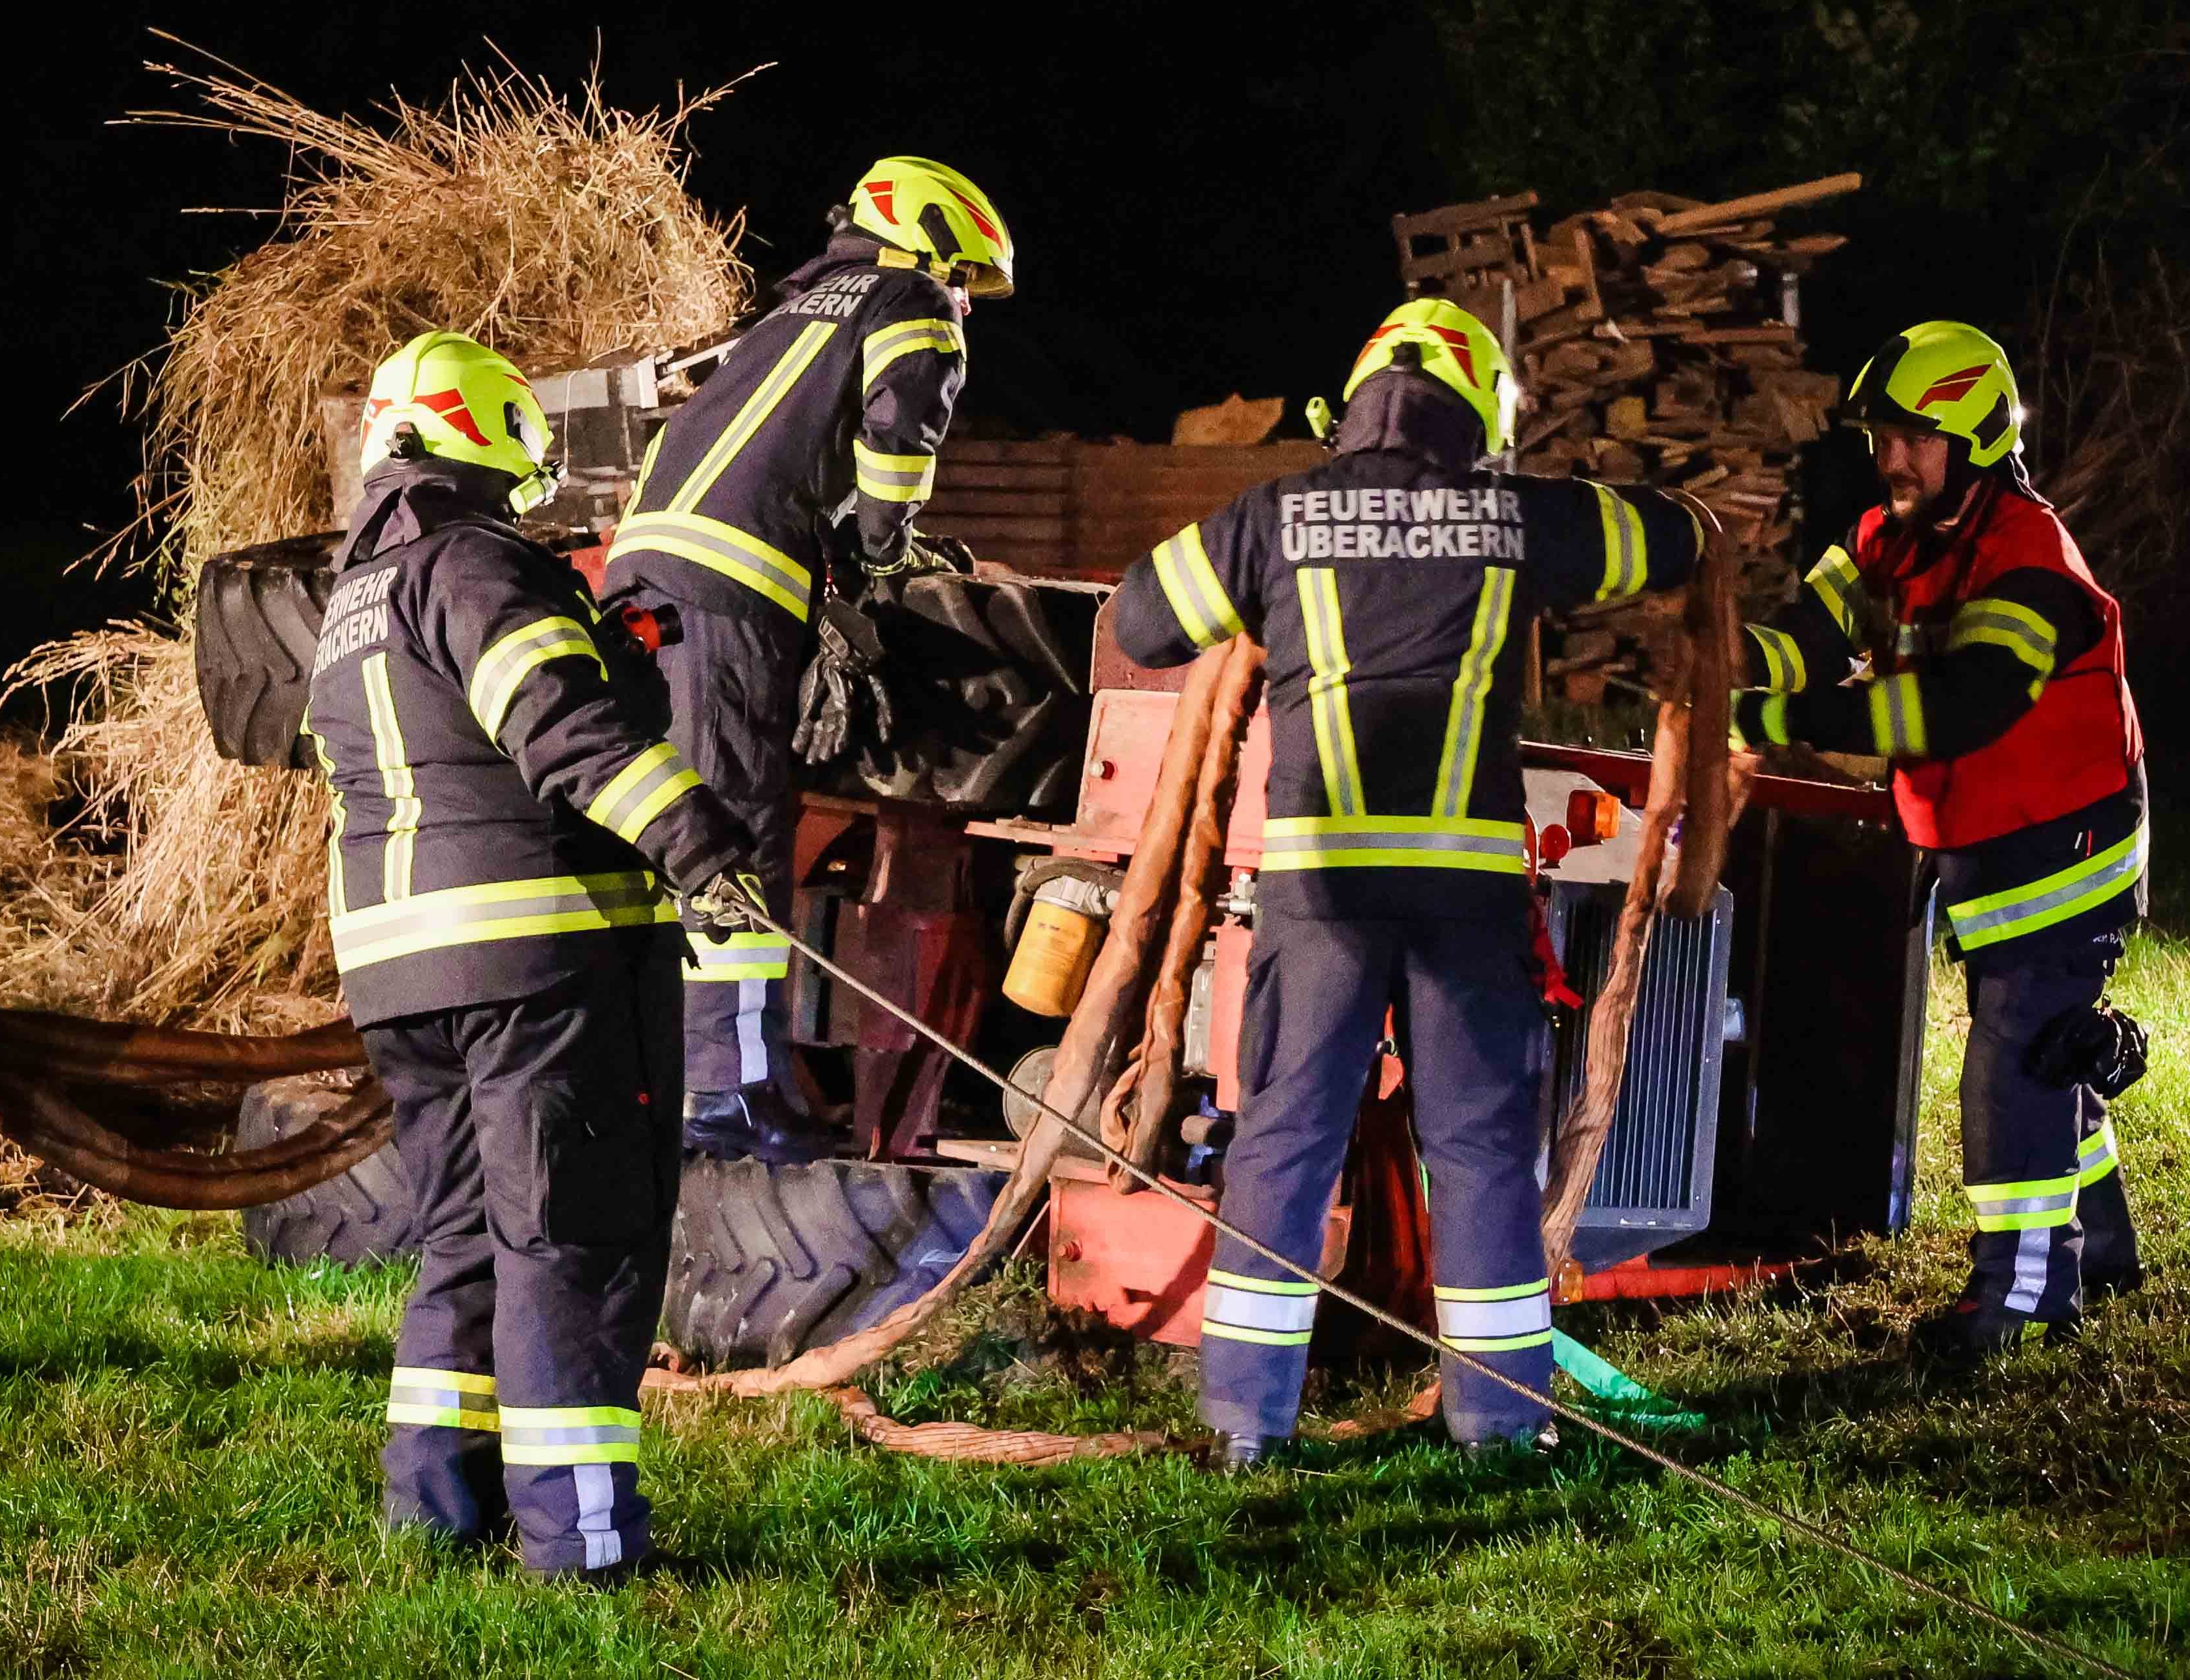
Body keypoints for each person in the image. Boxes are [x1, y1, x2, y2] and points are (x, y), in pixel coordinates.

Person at [1112, 298, 1705, 1466]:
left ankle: (1244, 1429)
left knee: (1284, 1142)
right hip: (1467, 898)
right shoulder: (1518, 517)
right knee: (1481, 1153)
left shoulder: (1276, 516)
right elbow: (1671, 539)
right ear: (1477, 411)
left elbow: (1142, 622)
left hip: (1319, 892)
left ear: (1357, 401)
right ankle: (1498, 1426)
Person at [307, 331, 764, 1576]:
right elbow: (559, 724)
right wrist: (698, 841)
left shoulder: (355, 590)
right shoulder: (475, 564)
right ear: (483, 434)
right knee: (573, 1238)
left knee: (466, 1233)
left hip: (398, 971)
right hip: (537, 964)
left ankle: (436, 1517)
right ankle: (584, 1546)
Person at [1734, 321, 2146, 1354]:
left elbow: (1962, 708)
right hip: (1993, 841)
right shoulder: (1887, 537)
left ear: (1972, 437)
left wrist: (1785, 721)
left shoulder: (2028, 554)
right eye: (1882, 437)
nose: (1890, 457)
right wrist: (1716, 659)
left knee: (2011, 1063)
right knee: (2046, 1048)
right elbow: (1809, 635)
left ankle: (2018, 1298)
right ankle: (2101, 1250)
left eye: (1914, 437)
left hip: (2069, 843)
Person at [604, 156, 1012, 1162]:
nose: (964, 300)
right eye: (965, 277)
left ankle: (676, 1074)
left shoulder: (786, 316)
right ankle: (729, 1102)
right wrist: (889, 549)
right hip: (728, 591)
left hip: (647, 582)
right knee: (737, 836)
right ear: (931, 242)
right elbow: (899, 426)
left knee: (677, 830)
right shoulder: (908, 297)